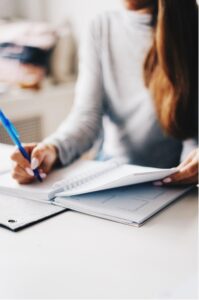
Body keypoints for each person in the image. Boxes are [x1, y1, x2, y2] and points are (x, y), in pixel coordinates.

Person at [11, 0, 198, 186]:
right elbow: (86, 118)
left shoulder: (192, 27)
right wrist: (52, 149)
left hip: (174, 185)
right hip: (110, 177)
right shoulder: (101, 27)